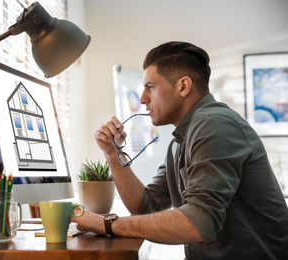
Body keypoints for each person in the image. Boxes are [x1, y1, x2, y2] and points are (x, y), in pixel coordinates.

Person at [71, 41, 288, 259]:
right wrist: (112, 153)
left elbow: (198, 223)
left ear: (183, 86)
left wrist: (106, 223)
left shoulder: (215, 124)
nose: (143, 99)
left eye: (150, 87)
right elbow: (146, 207)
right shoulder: (180, 142)